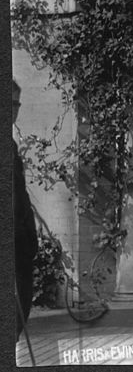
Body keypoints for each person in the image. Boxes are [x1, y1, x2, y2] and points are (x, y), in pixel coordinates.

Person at [12, 78, 39, 342]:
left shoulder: (10, 146)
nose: (14, 110)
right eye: (10, 103)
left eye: (17, 104)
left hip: (20, 245)